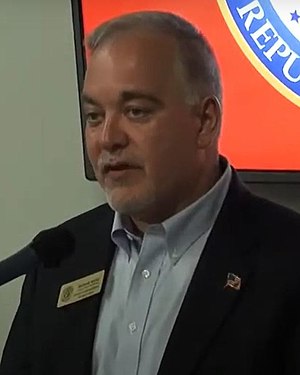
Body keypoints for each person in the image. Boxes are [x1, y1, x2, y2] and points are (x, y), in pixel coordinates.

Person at [1, 10, 300, 375]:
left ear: (205, 122)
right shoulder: (57, 258)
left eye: (136, 111)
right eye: (94, 116)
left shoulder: (287, 259)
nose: (108, 138)